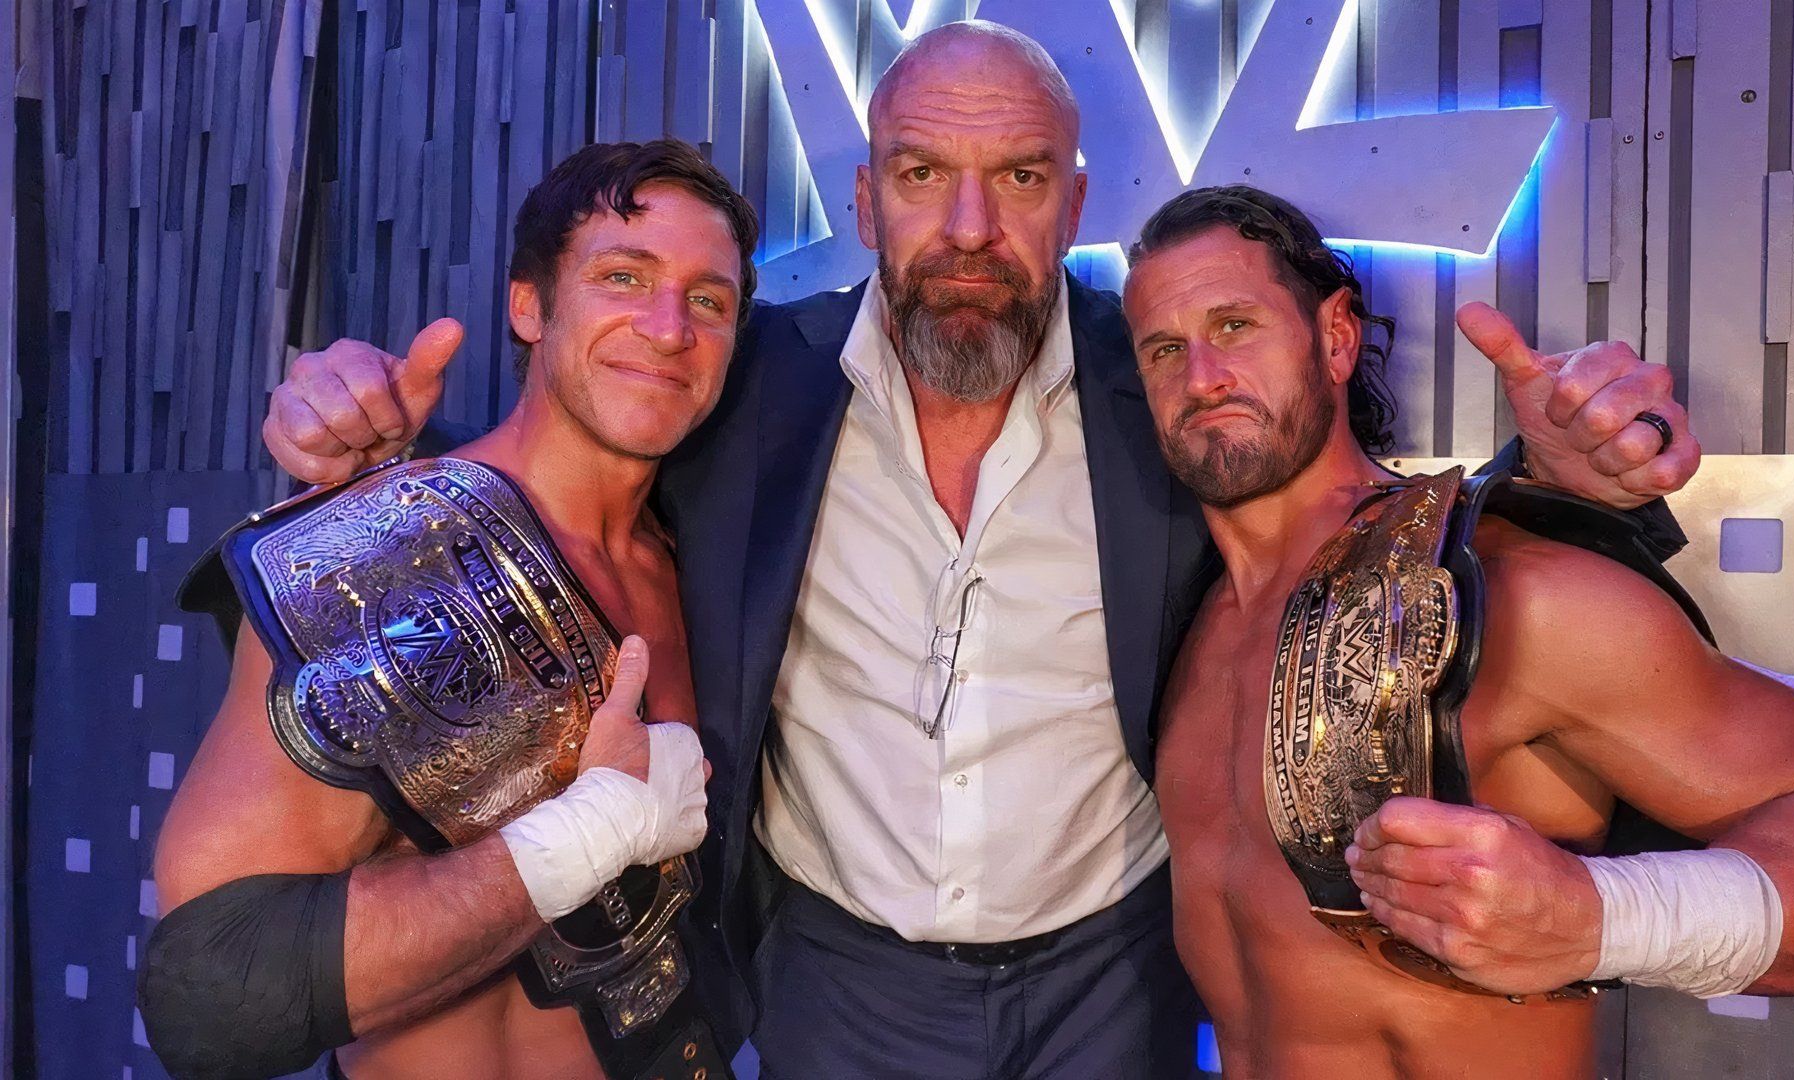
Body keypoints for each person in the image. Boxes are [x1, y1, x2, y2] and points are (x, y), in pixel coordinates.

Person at [255, 21, 1707, 1077]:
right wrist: (361, 453)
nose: (967, 226)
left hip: (1109, 976)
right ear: (866, 191)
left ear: (1077, 200)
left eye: (1018, 178)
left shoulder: (1170, 377)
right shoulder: (737, 386)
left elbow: (1360, 539)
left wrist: (1576, 490)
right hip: (838, 975)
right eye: (921, 173)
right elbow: (558, 467)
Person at [1125, 184, 1794, 1079]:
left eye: (1235, 326)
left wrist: (1600, 915)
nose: (1201, 378)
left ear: (1336, 337)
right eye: (1163, 349)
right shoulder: (1186, 629)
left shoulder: (1517, 599)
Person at [141, 140, 754, 1079]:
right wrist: (588, 831)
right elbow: (216, 991)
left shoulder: (694, 563)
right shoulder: (384, 551)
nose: (669, 327)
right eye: (623, 276)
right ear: (527, 305)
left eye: (708, 299)